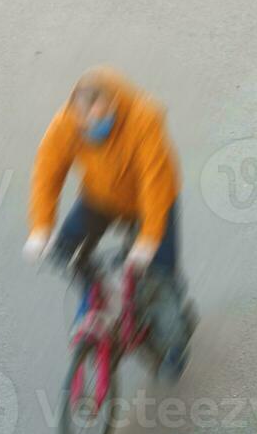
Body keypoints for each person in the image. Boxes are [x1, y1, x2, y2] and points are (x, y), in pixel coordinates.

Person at [23, 67, 194, 379]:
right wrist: (40, 228)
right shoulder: (67, 124)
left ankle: (174, 342)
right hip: (101, 198)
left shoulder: (144, 118)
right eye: (84, 123)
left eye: (99, 120)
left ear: (114, 106)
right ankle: (95, 305)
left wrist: (149, 238)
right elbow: (46, 173)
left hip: (150, 203)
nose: (91, 129)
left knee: (160, 277)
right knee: (67, 250)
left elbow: (154, 182)